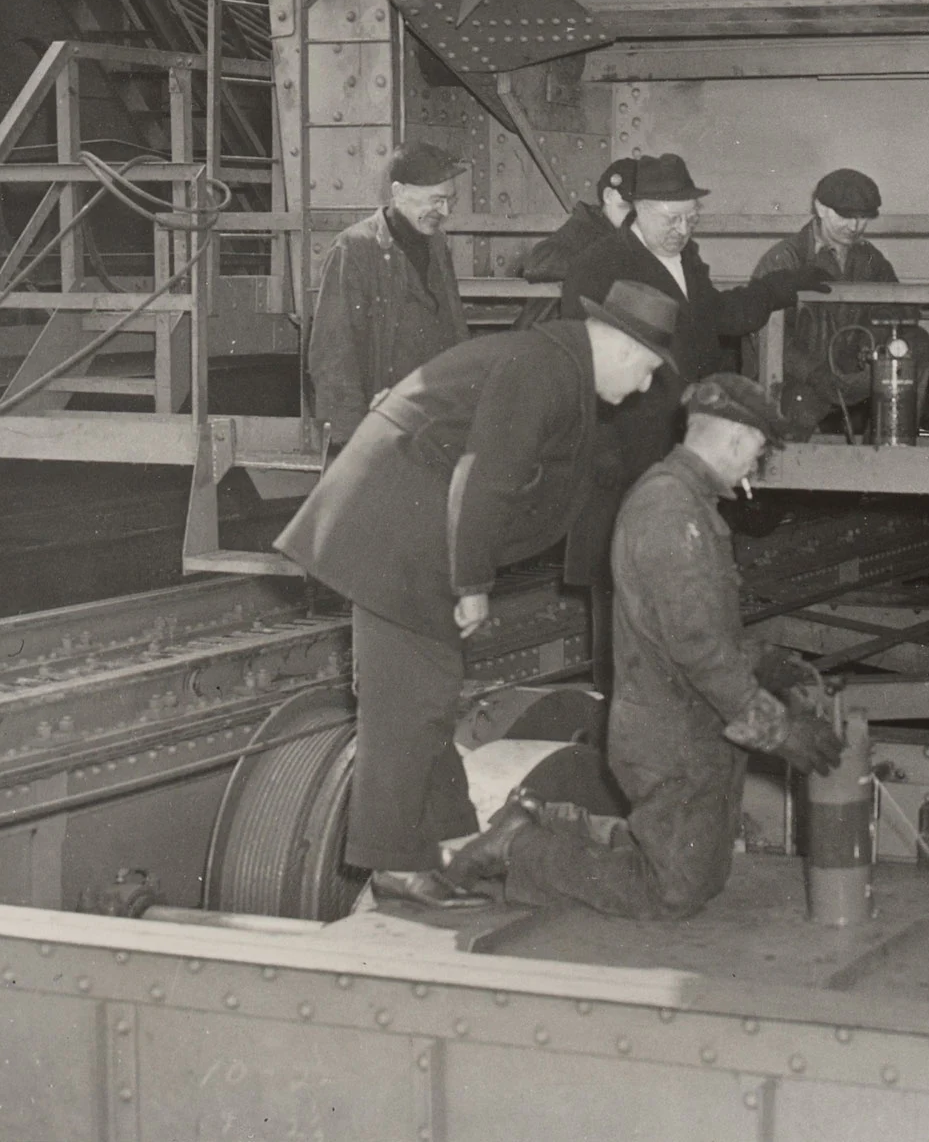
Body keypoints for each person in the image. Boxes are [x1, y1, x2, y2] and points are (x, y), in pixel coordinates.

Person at [275, 281, 682, 909]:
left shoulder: (556, 367)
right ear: (620, 345)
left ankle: (446, 841)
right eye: (649, 368)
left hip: (407, 523)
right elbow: (484, 479)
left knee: (423, 692)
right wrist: (473, 585)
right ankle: (391, 864)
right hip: (399, 531)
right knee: (412, 698)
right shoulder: (542, 368)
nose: (647, 386)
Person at [444, 375, 845, 918]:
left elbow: (690, 629)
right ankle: (519, 849)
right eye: (759, 447)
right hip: (670, 737)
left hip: (691, 727)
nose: (759, 462)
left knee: (699, 875)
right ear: (732, 437)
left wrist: (764, 662)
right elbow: (698, 648)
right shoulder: (670, 511)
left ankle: (544, 823)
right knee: (671, 893)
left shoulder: (687, 502)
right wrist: (781, 732)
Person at [557, 153, 829, 678]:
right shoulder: (598, 266)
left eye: (691, 219)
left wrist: (780, 287)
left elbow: (715, 319)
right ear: (637, 209)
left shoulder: (687, 259)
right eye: (670, 219)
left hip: (680, 448)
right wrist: (604, 454)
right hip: (625, 454)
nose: (682, 230)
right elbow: (585, 367)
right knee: (622, 596)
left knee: (682, 587)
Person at [747, 168, 929, 439]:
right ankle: (785, 477)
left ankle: (889, 448)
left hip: (848, 371)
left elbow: (904, 307)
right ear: (820, 208)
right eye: (846, 216)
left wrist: (872, 336)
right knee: (794, 419)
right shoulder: (785, 259)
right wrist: (814, 373)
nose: (855, 227)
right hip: (796, 380)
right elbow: (763, 335)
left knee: (918, 343)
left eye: (863, 218)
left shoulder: (869, 258)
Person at [306, 140, 469, 445]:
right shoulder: (354, 249)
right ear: (398, 191)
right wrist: (353, 441)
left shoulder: (436, 245)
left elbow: (455, 331)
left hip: (431, 424)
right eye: (435, 200)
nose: (444, 211)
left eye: (450, 200)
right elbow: (332, 357)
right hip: (377, 429)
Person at [513, 157, 636, 326]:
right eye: (626, 207)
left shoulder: (626, 233)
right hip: (551, 332)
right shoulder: (585, 225)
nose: (633, 217)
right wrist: (601, 264)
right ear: (608, 196)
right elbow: (536, 261)